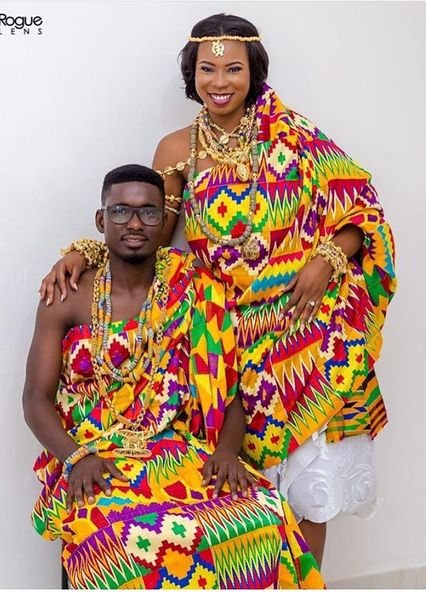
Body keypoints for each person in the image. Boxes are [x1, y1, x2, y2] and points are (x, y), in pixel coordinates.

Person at [39, 14, 396, 565]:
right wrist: (85, 252)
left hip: (304, 329)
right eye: (208, 68)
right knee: (243, 485)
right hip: (225, 335)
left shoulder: (294, 135)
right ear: (192, 74)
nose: (220, 80)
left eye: (234, 68)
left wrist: (328, 257)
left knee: (308, 488)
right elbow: (152, 228)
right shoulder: (177, 147)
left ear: (254, 72)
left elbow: (361, 207)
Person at [24, 164, 324, 589]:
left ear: (164, 221)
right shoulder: (67, 295)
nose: (133, 223)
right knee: (117, 542)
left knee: (265, 514)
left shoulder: (194, 288)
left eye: (148, 213)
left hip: (176, 453)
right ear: (100, 220)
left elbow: (227, 392)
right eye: (120, 212)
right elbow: (35, 399)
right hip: (93, 457)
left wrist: (226, 453)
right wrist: (76, 459)